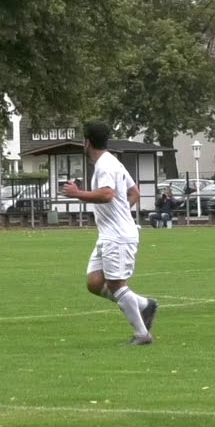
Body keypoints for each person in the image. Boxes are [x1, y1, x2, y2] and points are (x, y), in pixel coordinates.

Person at [62, 122, 158, 345]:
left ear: (87, 142)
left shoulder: (105, 165)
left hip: (118, 236)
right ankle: (144, 305)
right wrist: (121, 213)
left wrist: (77, 193)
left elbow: (107, 194)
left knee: (116, 284)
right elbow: (134, 192)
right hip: (109, 234)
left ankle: (142, 334)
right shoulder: (113, 161)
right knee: (95, 282)